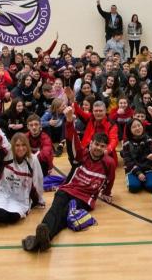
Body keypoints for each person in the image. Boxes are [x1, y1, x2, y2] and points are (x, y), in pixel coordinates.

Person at [22, 106, 115, 252]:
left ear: (105, 148)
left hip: (84, 197)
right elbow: (73, 140)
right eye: (96, 144)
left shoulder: (108, 163)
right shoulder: (82, 154)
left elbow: (111, 179)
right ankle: (44, 237)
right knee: (55, 209)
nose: (98, 148)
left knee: (64, 213)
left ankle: (41, 238)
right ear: (90, 143)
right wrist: (70, 122)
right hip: (68, 189)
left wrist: (107, 192)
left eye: (102, 146)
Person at [72, 100, 119, 164]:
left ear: (105, 111)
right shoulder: (90, 117)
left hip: (104, 152)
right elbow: (79, 112)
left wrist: (106, 151)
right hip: (87, 150)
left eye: (100, 111)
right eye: (96, 111)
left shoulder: (112, 125)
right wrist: (72, 100)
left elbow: (114, 140)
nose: (98, 113)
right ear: (92, 112)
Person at [121, 119, 152, 193]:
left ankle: (145, 180)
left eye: (139, 125)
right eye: (134, 127)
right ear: (129, 130)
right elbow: (128, 161)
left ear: (142, 126)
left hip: (148, 167)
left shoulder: (148, 139)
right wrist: (138, 173)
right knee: (134, 187)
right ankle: (139, 181)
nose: (137, 128)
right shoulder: (127, 143)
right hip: (134, 168)